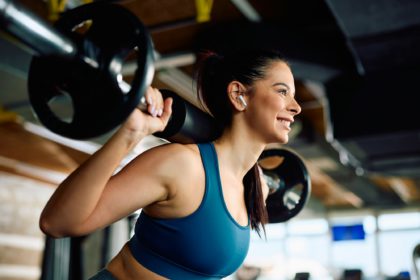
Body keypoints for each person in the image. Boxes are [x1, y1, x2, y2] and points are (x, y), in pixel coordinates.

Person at [39, 48, 302, 280]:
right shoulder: (182, 165)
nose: (297, 107)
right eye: (282, 91)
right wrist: (131, 134)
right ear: (238, 95)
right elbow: (57, 223)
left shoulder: (254, 187)